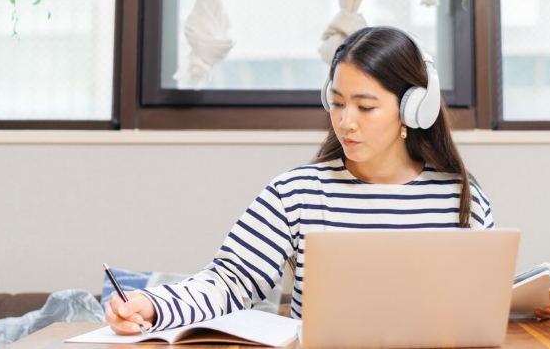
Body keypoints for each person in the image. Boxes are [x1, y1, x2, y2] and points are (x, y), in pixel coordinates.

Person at [105, 26, 495, 334]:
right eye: (338, 103)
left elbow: (482, 307)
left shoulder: (462, 199)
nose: (346, 121)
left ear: (413, 108)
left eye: (366, 106)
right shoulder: (296, 193)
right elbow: (229, 282)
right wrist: (154, 305)